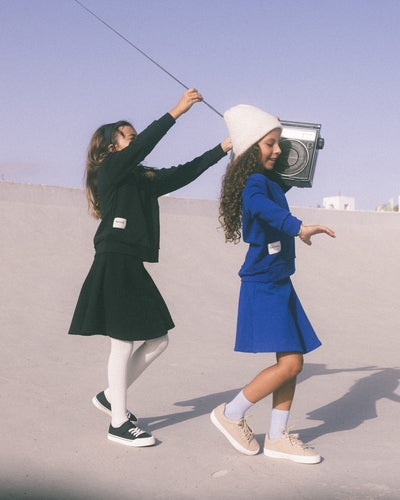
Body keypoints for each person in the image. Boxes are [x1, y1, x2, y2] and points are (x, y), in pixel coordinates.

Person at [69, 88, 232, 447]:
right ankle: (118, 424)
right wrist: (177, 111)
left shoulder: (141, 179)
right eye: (131, 136)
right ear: (113, 147)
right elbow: (145, 147)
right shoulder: (109, 169)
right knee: (123, 344)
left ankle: (112, 396)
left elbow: (184, 173)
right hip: (113, 259)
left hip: (130, 263)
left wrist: (223, 147)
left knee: (158, 339)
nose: (137, 141)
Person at [210, 104, 335, 464]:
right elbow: (263, 208)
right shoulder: (254, 185)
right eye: (270, 144)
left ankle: (278, 437)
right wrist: (298, 226)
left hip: (278, 279)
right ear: (251, 149)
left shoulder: (270, 182)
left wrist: (290, 135)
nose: (278, 150)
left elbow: (292, 176)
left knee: (293, 360)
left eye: (280, 143)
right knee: (291, 365)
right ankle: (231, 413)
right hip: (264, 281)